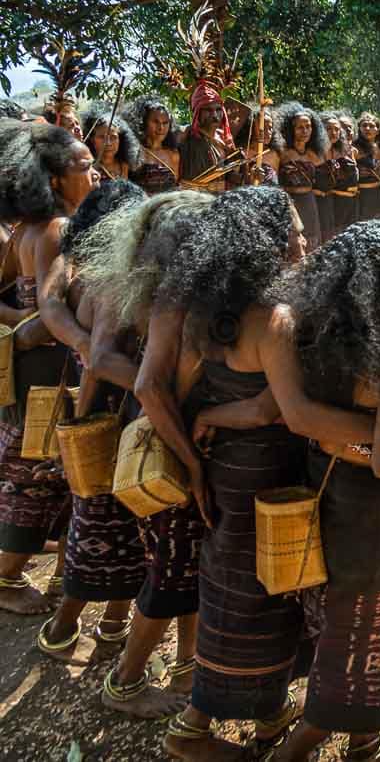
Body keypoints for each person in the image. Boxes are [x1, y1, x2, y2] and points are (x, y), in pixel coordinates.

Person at [159, 187, 380, 760]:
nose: (306, 238)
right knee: (259, 597)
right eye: (296, 229)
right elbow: (280, 411)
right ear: (269, 242)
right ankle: (192, 729)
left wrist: (199, 444)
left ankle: (266, 713)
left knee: (235, 589)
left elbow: (181, 395)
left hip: (222, 472)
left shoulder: (204, 311)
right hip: (268, 479)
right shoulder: (275, 318)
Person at [268, 220, 380, 761]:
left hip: (323, 489)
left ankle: (366, 740)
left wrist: (366, 442)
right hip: (379, 516)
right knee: (363, 633)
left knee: (342, 619)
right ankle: (296, 749)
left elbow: (301, 417)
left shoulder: (296, 325)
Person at [74, 189, 216, 717]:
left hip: (169, 426)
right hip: (160, 437)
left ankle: (186, 663)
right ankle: (127, 682)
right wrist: (157, 390)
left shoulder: (184, 291)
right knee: (170, 566)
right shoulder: (138, 293)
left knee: (187, 563)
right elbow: (101, 361)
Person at [35, 180, 147, 659]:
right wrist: (158, 386)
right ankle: (62, 630)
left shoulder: (108, 271)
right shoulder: (111, 278)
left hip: (110, 417)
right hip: (107, 421)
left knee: (123, 536)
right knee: (102, 530)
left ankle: (113, 631)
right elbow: (100, 362)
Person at [0, 120, 96, 615]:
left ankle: (62, 569)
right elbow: (49, 310)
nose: (95, 173)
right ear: (55, 180)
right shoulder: (56, 229)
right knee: (40, 472)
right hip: (49, 371)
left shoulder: (28, 228)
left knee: (51, 471)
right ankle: (8, 576)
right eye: (84, 167)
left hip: (37, 365)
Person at [277, 102, 328, 249]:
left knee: (312, 245)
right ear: (291, 129)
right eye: (300, 127)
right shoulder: (283, 153)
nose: (305, 131)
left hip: (310, 203)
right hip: (289, 204)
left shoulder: (315, 155)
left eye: (308, 126)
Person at [179, 79, 233, 193]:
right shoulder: (185, 135)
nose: (214, 115)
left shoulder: (225, 140)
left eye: (218, 109)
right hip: (192, 201)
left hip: (219, 201)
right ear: (197, 113)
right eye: (208, 110)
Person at [125, 94, 181, 194]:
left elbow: (176, 186)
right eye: (156, 122)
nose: (161, 128)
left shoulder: (173, 155)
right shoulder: (133, 152)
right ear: (143, 122)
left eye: (165, 123)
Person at [321, 112, 360, 238]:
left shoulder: (347, 151)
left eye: (336, 129)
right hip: (332, 204)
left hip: (352, 203)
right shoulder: (317, 153)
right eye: (329, 129)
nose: (333, 133)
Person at [82, 108, 141, 183]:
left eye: (113, 137)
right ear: (92, 139)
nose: (108, 143)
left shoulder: (125, 167)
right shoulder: (86, 167)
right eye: (102, 137)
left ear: (120, 139)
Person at [232, 103, 281, 187]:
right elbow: (231, 179)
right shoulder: (240, 152)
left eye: (270, 127)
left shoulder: (274, 155)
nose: (267, 132)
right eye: (263, 127)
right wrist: (247, 178)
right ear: (251, 127)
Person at [354, 112, 380, 221]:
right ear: (359, 129)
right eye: (364, 125)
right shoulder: (354, 148)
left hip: (377, 193)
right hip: (360, 196)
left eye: (372, 126)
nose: (367, 128)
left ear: (377, 130)